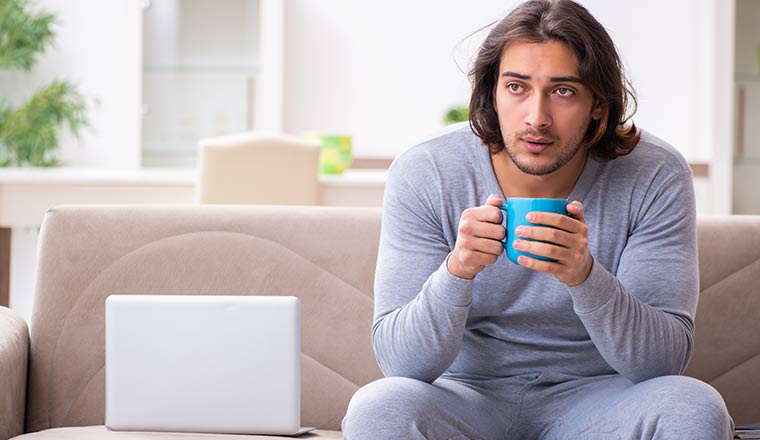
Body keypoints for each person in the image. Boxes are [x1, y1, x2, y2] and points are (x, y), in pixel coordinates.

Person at [341, 0, 734, 439]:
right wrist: (457, 271)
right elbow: (400, 365)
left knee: (693, 406)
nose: (536, 118)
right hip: (466, 397)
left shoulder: (655, 174)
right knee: (379, 407)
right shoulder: (427, 170)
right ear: (492, 91)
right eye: (516, 87)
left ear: (599, 105)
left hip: (602, 400)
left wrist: (585, 277)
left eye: (563, 91)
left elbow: (662, 363)